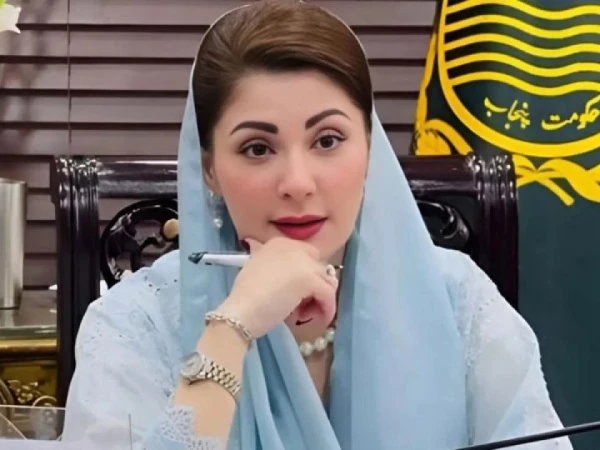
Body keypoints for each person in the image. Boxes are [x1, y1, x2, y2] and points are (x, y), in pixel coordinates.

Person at [60, 2, 571, 449]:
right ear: (209, 169)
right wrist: (232, 327)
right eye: (257, 148)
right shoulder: (138, 323)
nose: (298, 183)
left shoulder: (456, 300)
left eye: (327, 141)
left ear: (369, 150)